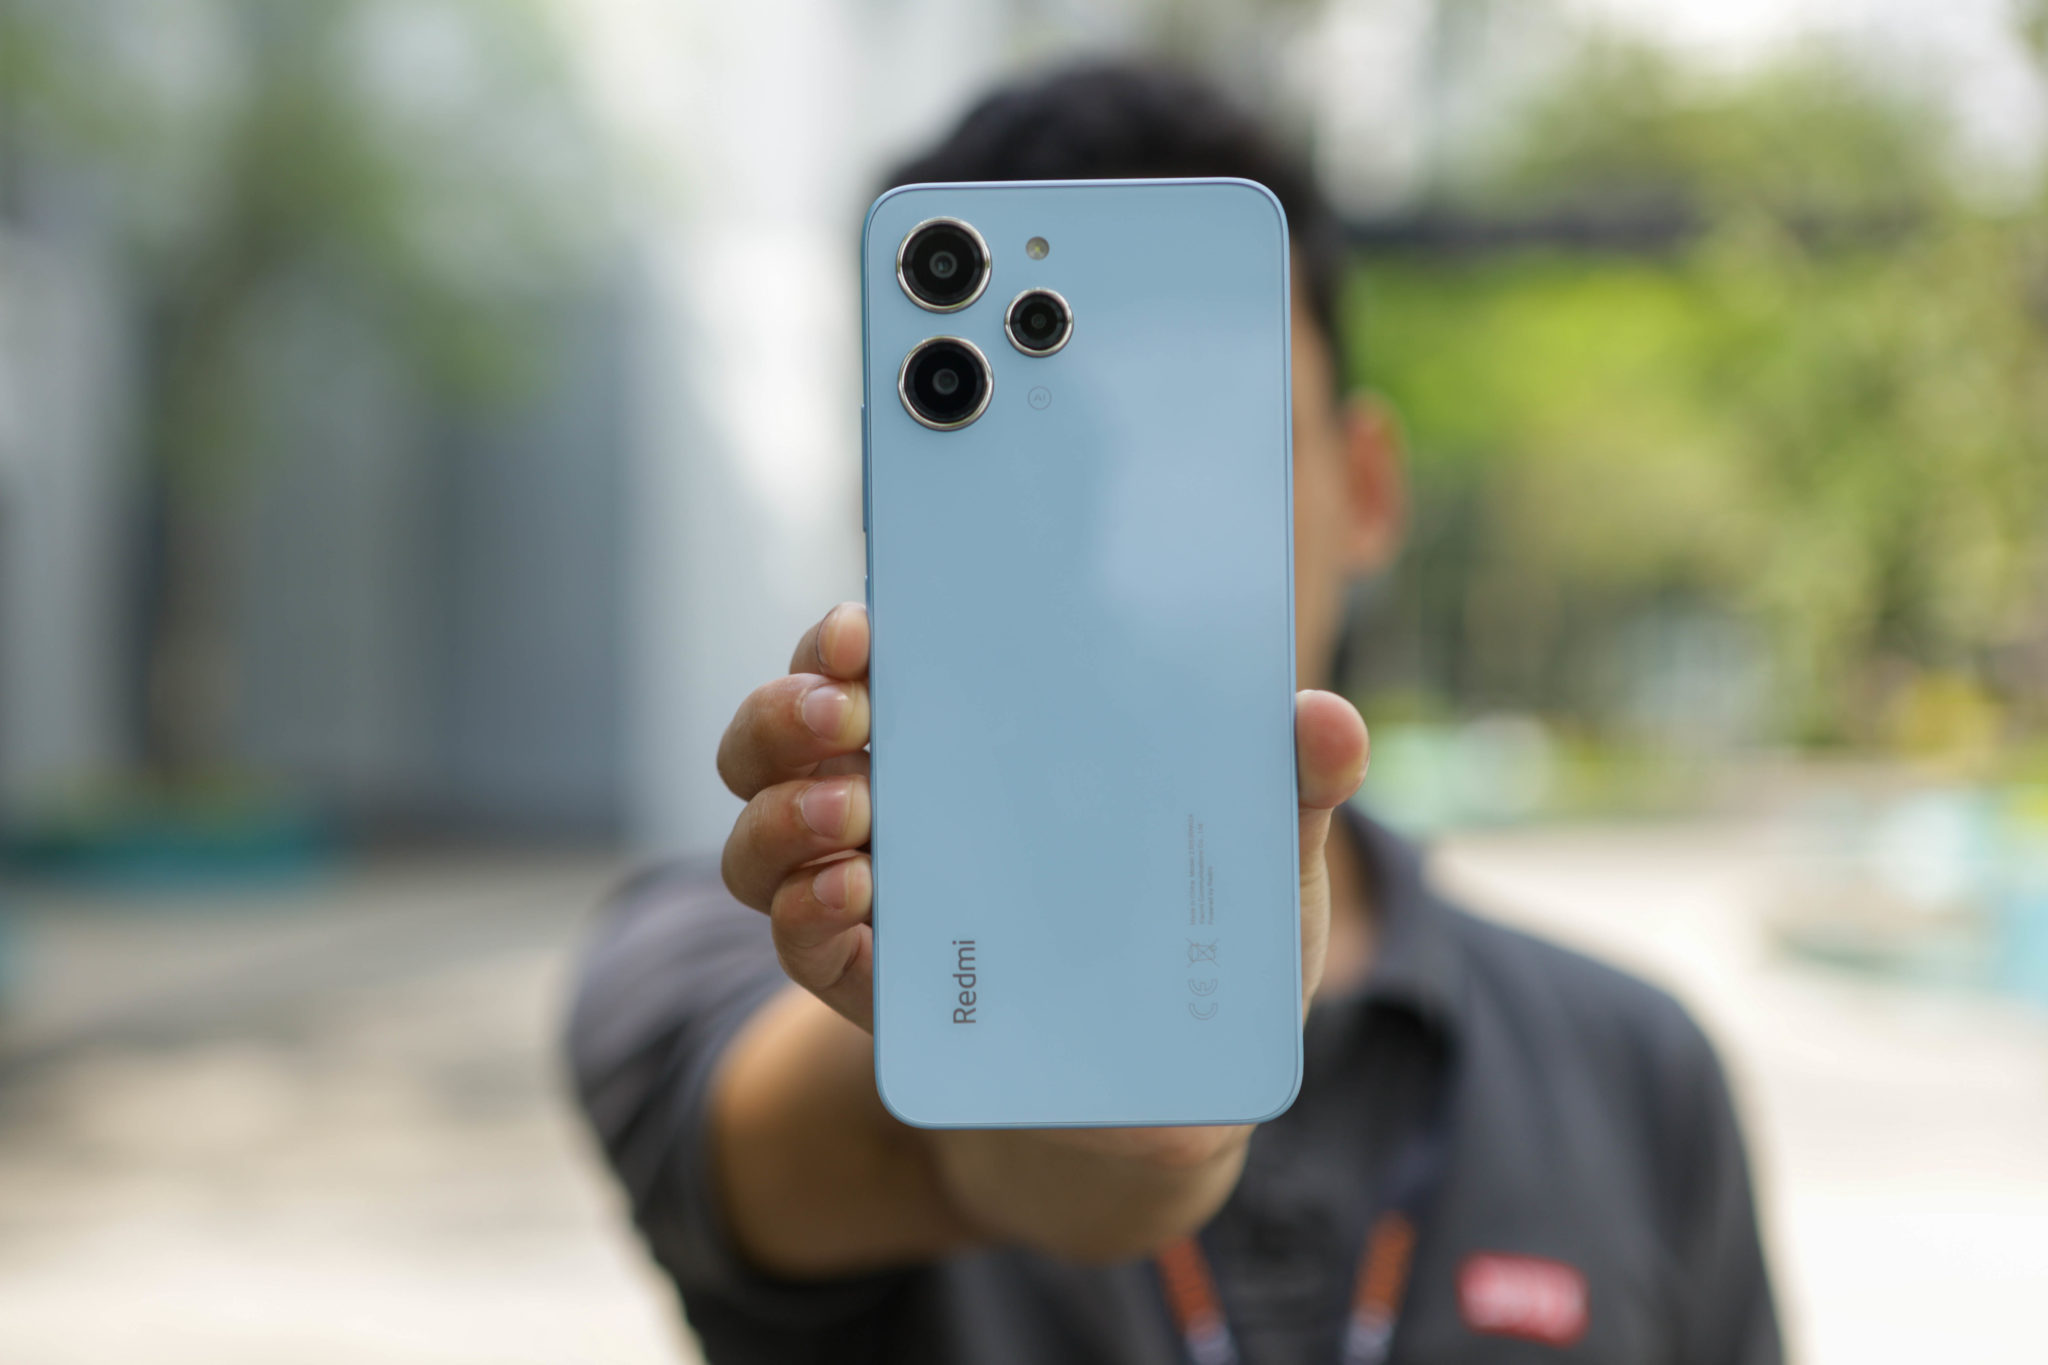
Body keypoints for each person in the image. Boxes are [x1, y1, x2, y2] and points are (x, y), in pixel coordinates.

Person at [568, 62, 1781, 1365]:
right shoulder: (707, 958)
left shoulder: (1636, 1070)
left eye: (1202, 442)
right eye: (1056, 469)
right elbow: (911, 1160)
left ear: (1367, 489)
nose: (1125, 554)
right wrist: (1124, 1119)